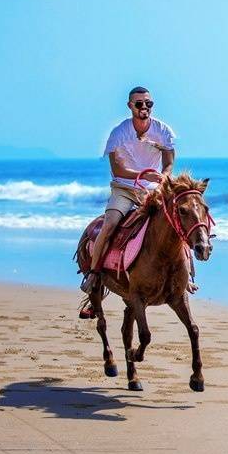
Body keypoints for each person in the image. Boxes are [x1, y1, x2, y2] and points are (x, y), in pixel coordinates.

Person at [79, 86, 178, 304]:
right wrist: (145, 175)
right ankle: (94, 274)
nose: (144, 107)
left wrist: (163, 176)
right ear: (130, 106)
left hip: (152, 191)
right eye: (139, 103)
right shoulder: (118, 133)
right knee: (111, 224)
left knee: (175, 223)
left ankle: (185, 276)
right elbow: (118, 170)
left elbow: (169, 163)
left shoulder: (164, 131)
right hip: (124, 189)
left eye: (148, 103)